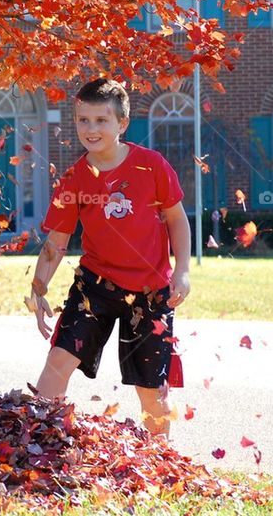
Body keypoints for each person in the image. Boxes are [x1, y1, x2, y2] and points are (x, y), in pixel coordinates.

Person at [27, 78, 191, 438]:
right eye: (83, 120)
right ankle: (39, 440)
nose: (91, 129)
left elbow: (177, 219)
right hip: (96, 285)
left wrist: (182, 271)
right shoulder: (74, 179)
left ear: (122, 124)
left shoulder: (151, 166)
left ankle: (160, 461)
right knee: (58, 360)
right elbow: (56, 243)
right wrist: (39, 288)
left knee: (152, 391)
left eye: (101, 120)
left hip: (151, 291)